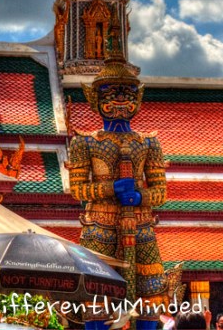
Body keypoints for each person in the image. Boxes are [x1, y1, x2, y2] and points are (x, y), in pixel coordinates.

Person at [66, 24, 168, 330]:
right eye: (111, 93)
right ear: (95, 98)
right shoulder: (85, 142)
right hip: (99, 224)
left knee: (149, 299)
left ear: (137, 99)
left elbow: (161, 191)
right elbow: (77, 190)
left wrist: (140, 196)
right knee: (97, 299)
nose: (120, 100)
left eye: (127, 93)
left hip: (141, 225)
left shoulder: (149, 143)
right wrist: (112, 187)